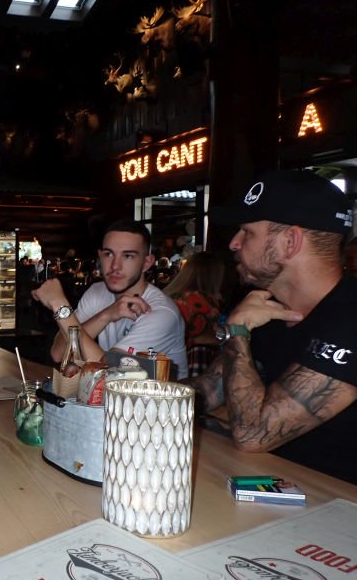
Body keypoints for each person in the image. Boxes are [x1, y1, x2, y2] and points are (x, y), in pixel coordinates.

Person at [192, 169, 356, 484]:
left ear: (290, 242)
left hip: (338, 505)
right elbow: (208, 391)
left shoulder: (350, 319)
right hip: (275, 487)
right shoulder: (267, 310)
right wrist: (124, 390)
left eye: (247, 232)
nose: (234, 243)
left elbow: (253, 434)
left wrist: (237, 332)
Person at [32, 219, 188, 379]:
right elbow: (58, 353)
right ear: (100, 256)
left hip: (156, 395)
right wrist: (106, 315)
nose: (115, 266)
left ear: (146, 263)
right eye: (109, 254)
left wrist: (59, 305)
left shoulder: (162, 313)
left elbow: (112, 375)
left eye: (128, 256)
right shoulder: (97, 292)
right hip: (113, 393)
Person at [163, 251, 225, 376]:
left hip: (164, 359)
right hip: (189, 364)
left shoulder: (169, 297)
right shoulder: (203, 301)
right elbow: (203, 339)